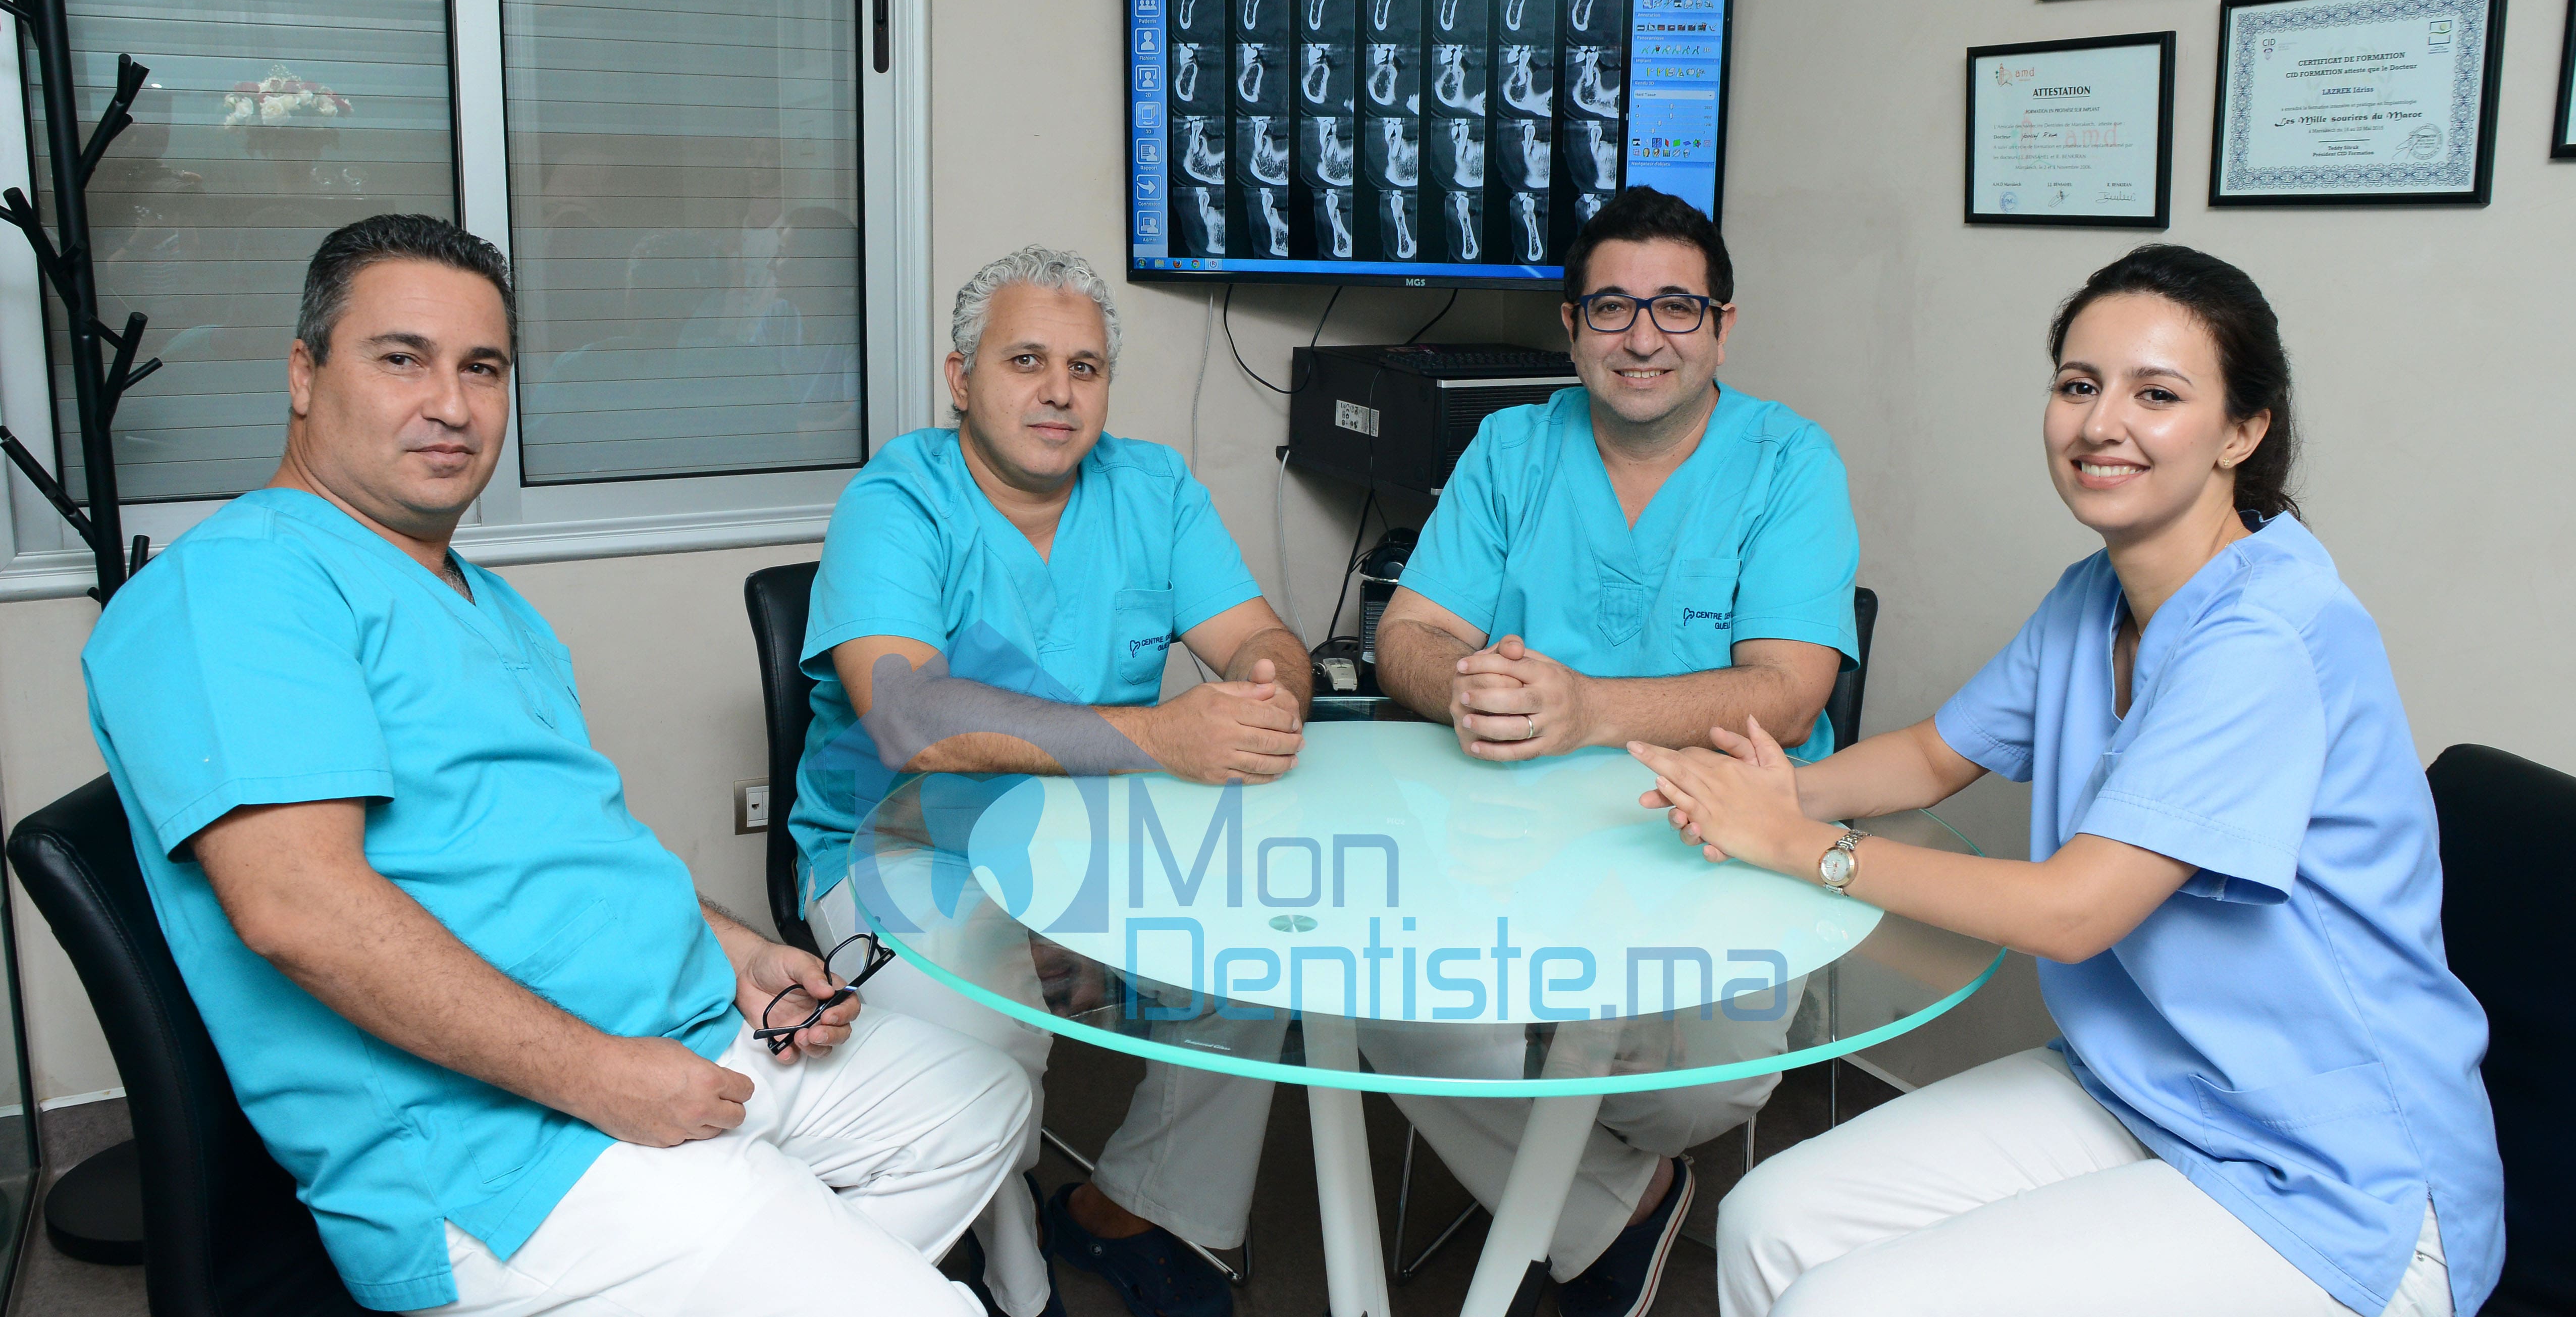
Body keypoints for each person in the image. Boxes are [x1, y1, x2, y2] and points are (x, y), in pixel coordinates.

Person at [81, 215, 1030, 1316]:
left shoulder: (486, 599)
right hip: (506, 1151)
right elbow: (300, 909)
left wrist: (735, 949)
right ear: (304, 373)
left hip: (684, 1034)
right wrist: (603, 1078)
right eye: (402, 359)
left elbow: (572, 841)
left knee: (982, 1104)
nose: (451, 404)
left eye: (481, 368)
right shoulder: (239, 586)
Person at [1633, 244, 2503, 1317]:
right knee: (1769, 1220)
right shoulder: (2092, 596)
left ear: (2241, 430)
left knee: (1842, 1301)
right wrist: (1758, 791)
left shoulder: (2266, 636)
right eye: (2078, 385)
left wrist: (1797, 843)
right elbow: (1931, 756)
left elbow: (2073, 911)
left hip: (2336, 1181)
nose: (2101, 423)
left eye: (2156, 394)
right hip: (2149, 1083)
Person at [791, 245, 1310, 1317]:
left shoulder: (1151, 487)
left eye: (1085, 366)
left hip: (1093, 844)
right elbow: (910, 718)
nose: (1058, 391)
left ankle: (1137, 1209)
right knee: (993, 1040)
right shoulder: (896, 499)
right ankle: (1013, 1273)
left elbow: (1261, 637)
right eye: (1024, 359)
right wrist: (1162, 736)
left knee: (1257, 964)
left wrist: (1270, 694)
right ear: (960, 377)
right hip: (903, 852)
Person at [1371, 185, 1862, 1317]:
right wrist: (1465, 686)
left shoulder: (1787, 460)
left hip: (1712, 840)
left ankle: (1569, 1156)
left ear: (1722, 326)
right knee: (1383, 1009)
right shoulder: (1512, 447)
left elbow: (1789, 694)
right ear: (1571, 325)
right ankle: (1619, 1202)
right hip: (1508, 835)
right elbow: (1406, 636)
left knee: (1698, 1099)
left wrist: (1587, 708)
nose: (1643, 337)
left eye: (1676, 306)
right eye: (1611, 307)